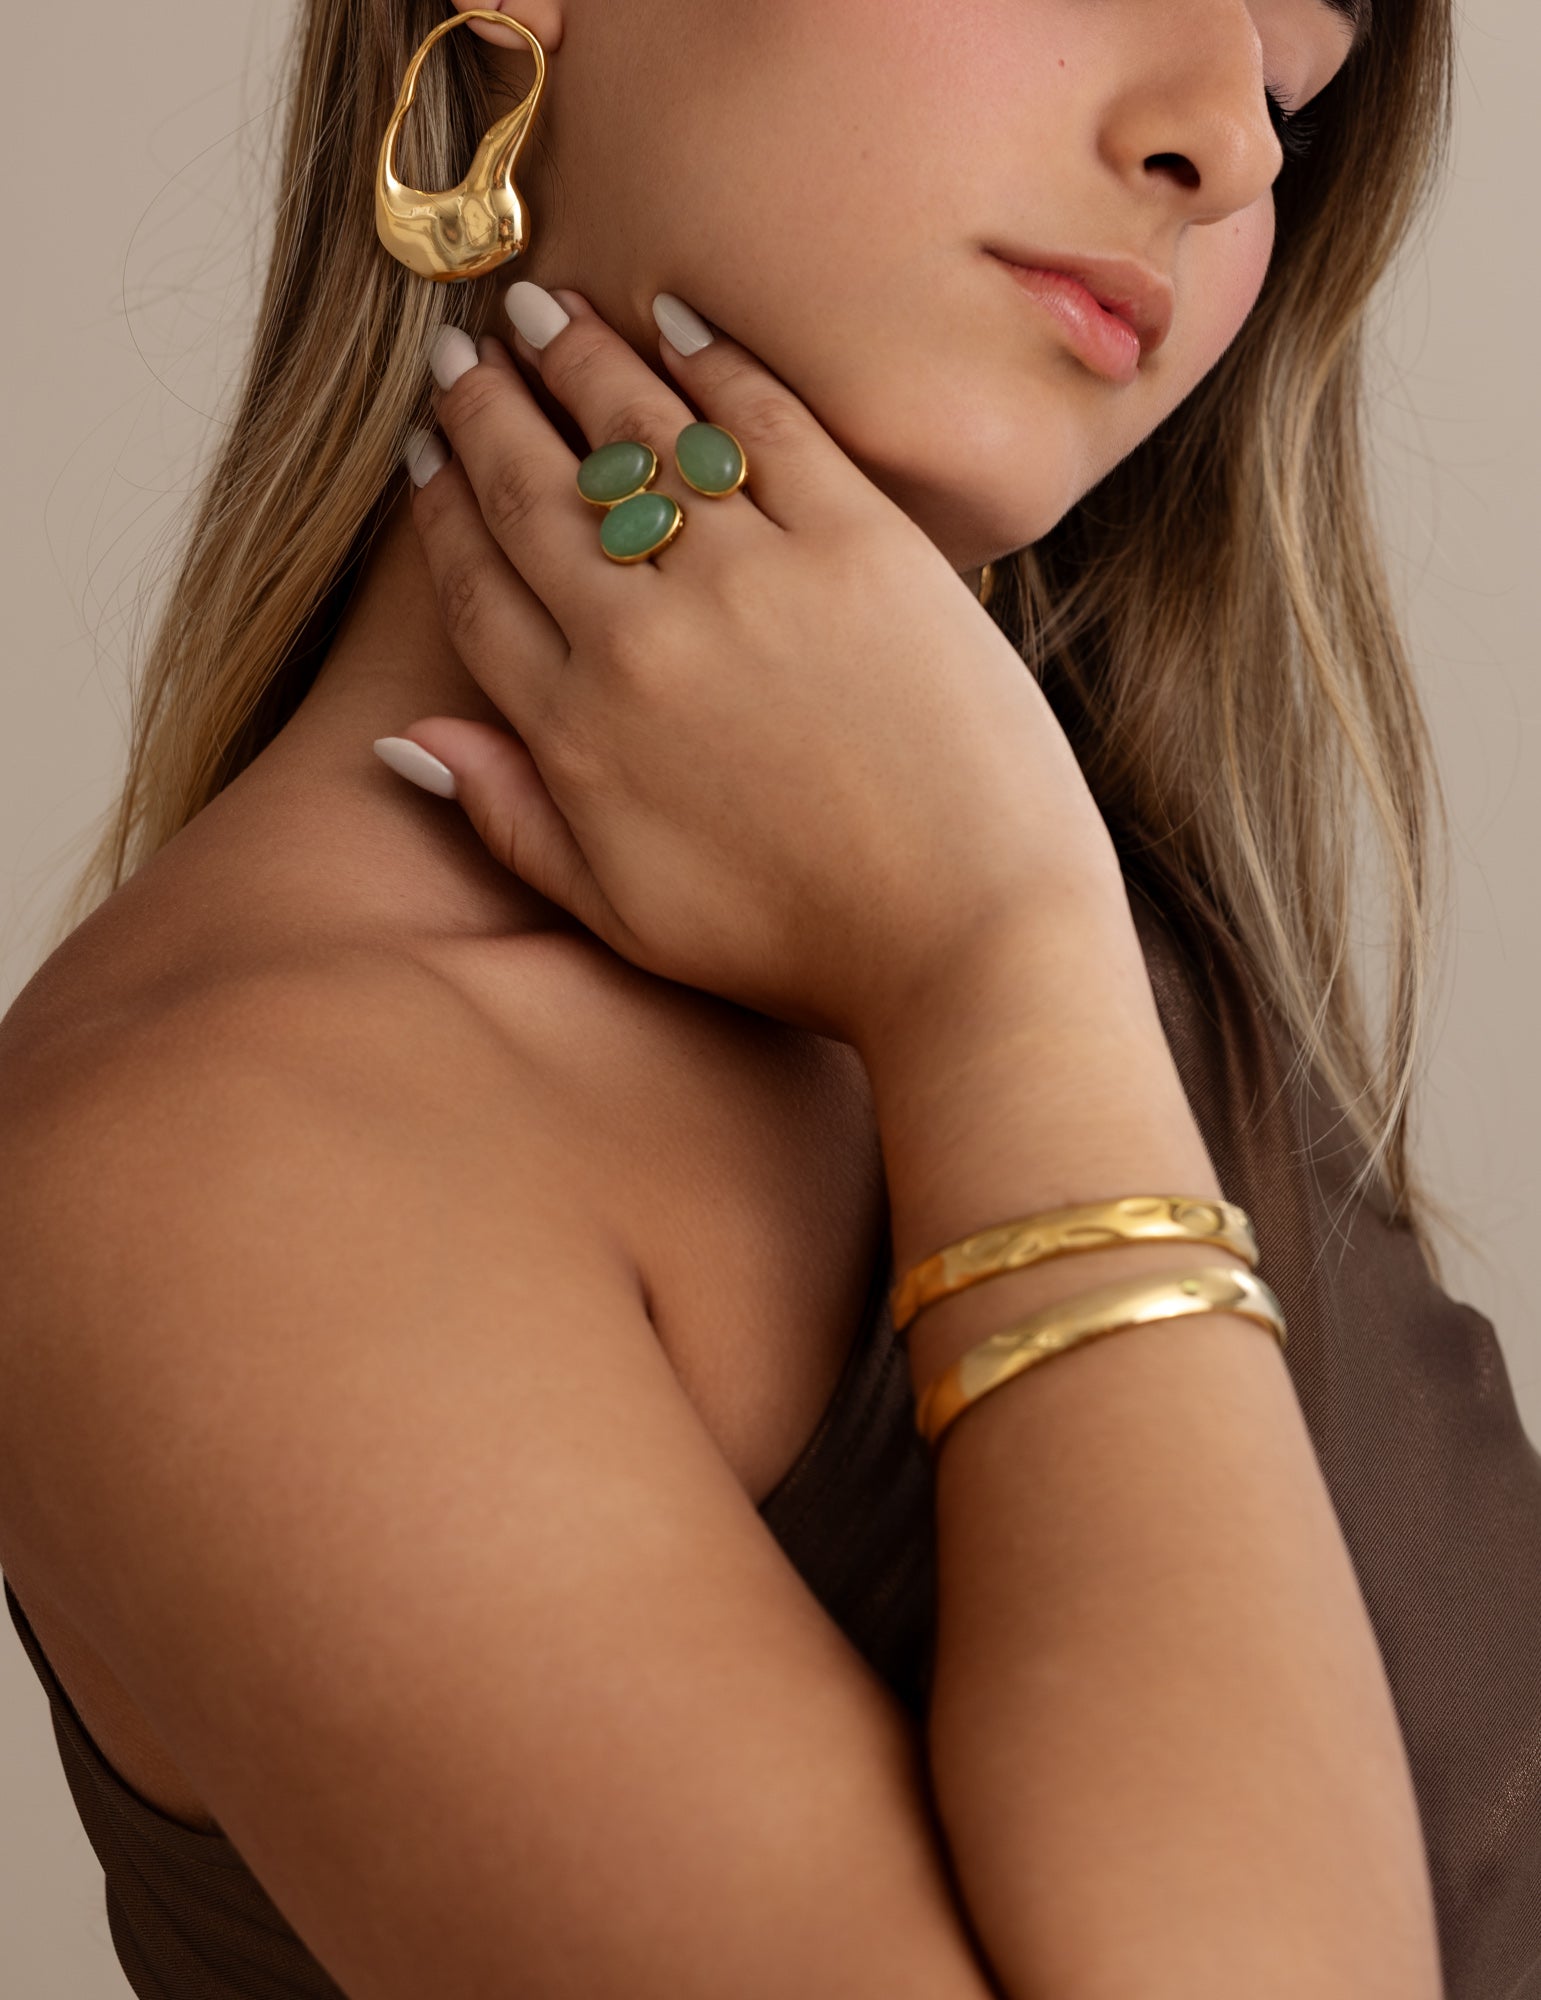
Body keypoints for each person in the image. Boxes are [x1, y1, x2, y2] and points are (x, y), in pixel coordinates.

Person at [2, 1, 1536, 1995]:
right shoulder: (210, 1173)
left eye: (1288, 91)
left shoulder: (1121, 939)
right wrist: (990, 973)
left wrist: (1009, 947)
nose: (1226, 146)